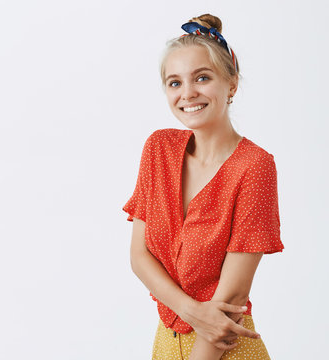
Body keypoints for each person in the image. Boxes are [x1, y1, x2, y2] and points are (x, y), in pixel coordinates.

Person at [122, 14, 284, 360]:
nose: (188, 93)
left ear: (232, 84)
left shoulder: (254, 166)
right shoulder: (158, 149)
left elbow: (233, 297)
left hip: (224, 348)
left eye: (202, 77)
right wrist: (191, 311)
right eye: (175, 82)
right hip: (166, 341)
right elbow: (139, 257)